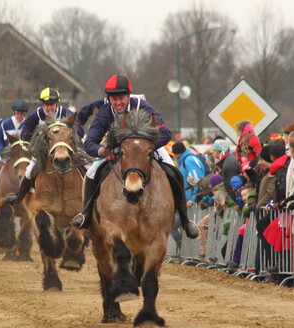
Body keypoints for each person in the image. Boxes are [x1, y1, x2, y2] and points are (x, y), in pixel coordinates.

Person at [67, 74, 199, 238]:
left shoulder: (143, 107)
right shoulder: (105, 112)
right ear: (109, 99)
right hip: (117, 149)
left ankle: (185, 221)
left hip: (147, 147)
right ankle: (85, 215)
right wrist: (103, 152)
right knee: (91, 173)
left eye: (121, 98)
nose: (118, 103)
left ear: (129, 96)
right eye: (114, 99)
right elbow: (90, 142)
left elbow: (165, 133)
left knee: (174, 171)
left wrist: (144, 149)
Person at [4, 88, 73, 204]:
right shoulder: (37, 114)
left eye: (51, 104)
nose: (48, 108)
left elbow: (79, 127)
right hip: (44, 151)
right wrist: (29, 137)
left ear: (57, 103)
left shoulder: (66, 112)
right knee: (29, 170)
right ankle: (19, 196)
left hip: (65, 148)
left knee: (87, 167)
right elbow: (26, 129)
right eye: (46, 105)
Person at [0, 99, 28, 180]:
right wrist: (0, 150)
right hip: (7, 151)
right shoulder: (5, 124)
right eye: (17, 113)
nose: (19, 116)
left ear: (25, 114)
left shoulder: (27, 124)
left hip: (23, 152)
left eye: (22, 114)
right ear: (14, 112)